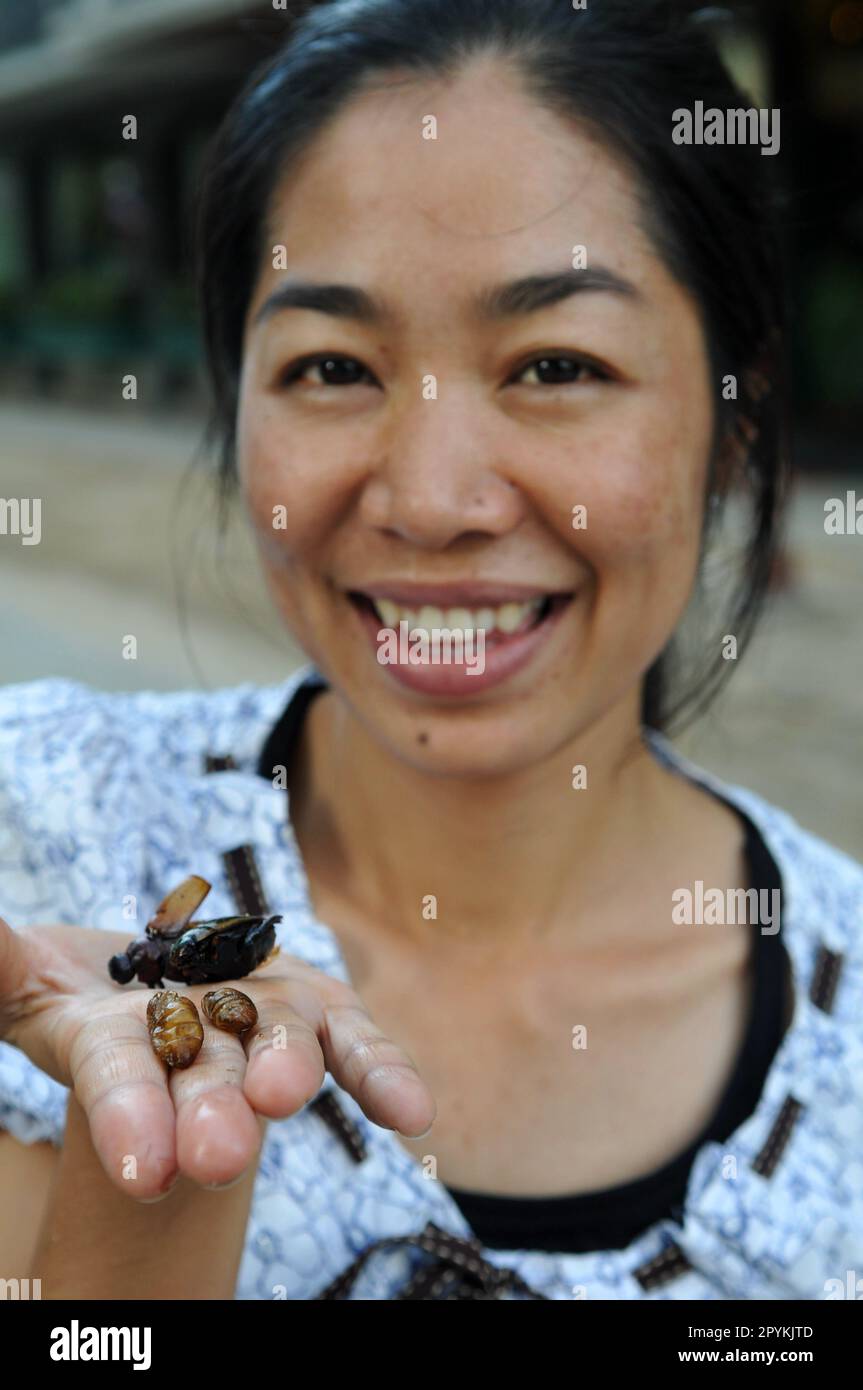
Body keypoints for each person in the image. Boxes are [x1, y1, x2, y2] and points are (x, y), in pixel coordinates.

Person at [1, 0, 861, 1301]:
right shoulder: (40, 843)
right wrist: (148, 1201)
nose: (433, 498)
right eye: (336, 365)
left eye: (556, 362)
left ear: (736, 422)